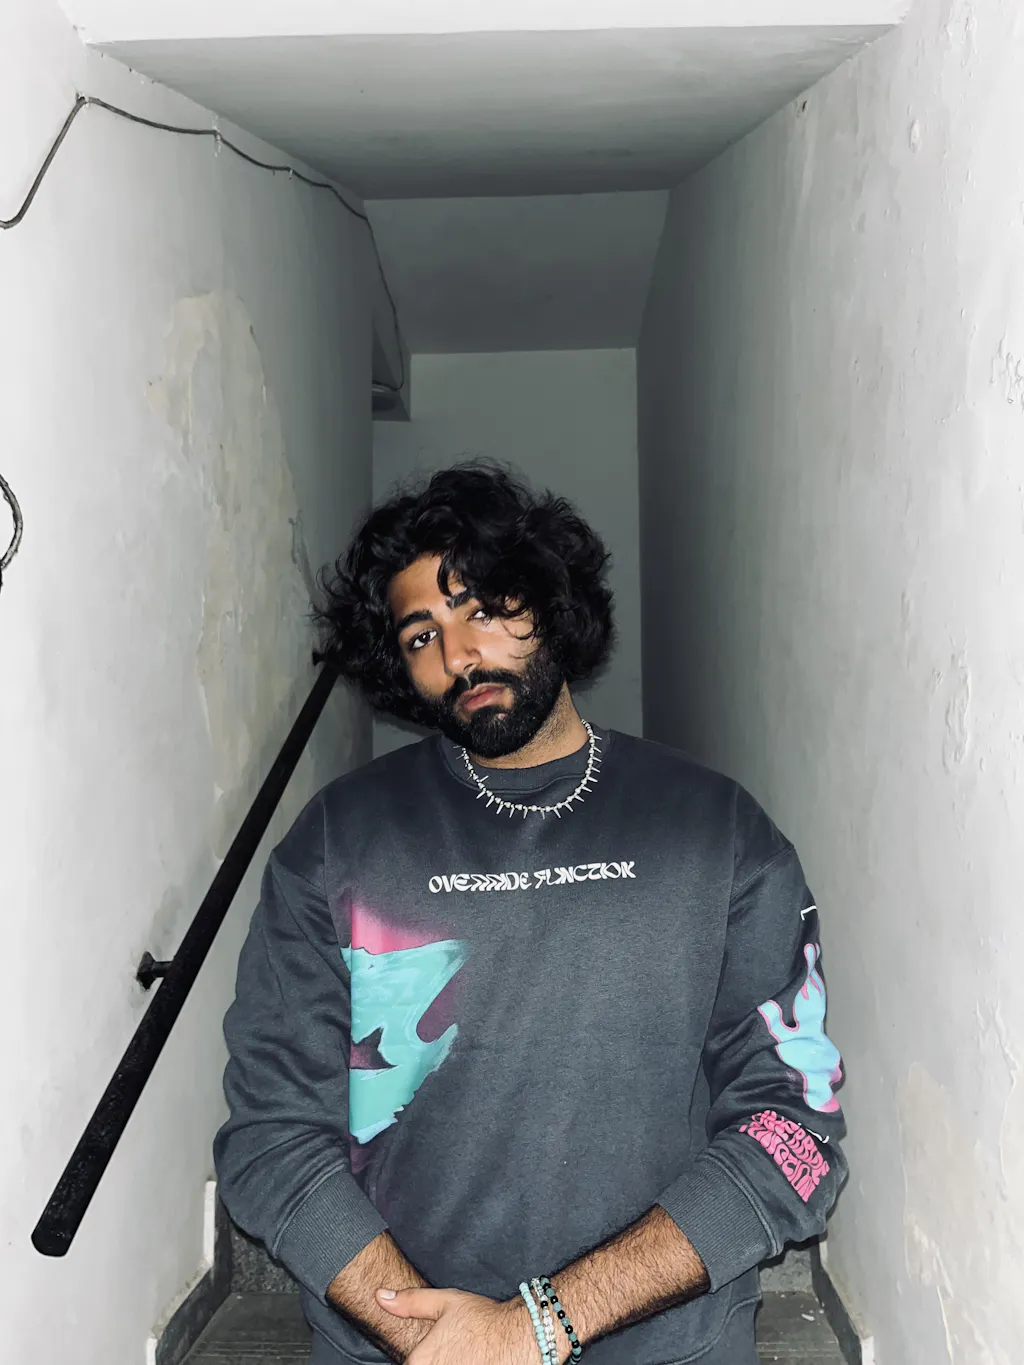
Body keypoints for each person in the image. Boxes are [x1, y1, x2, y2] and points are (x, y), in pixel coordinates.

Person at [214, 463, 847, 1365]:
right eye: (421, 634)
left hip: (667, 1346)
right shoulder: (337, 840)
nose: (457, 655)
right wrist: (441, 1342)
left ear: (549, 600)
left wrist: (536, 1326)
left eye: (482, 608)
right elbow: (272, 1134)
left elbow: (793, 1128)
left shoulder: (716, 829)